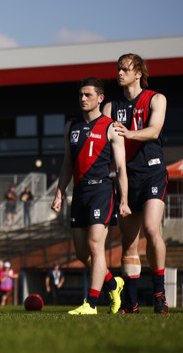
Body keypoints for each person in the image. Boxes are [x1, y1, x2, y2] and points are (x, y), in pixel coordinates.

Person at [52, 77, 131, 315]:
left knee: (96, 246)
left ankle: (92, 304)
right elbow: (67, 163)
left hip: (101, 191)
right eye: (81, 95)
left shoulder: (111, 127)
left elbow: (121, 169)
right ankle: (113, 283)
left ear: (100, 98)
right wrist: (59, 192)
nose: (83, 99)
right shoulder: (70, 127)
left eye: (88, 95)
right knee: (80, 252)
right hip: (79, 193)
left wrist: (124, 199)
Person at [103, 54, 170, 314]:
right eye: (118, 68)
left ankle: (159, 295)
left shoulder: (156, 98)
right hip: (125, 178)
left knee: (152, 230)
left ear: (138, 73)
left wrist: (129, 133)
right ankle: (130, 303)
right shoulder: (110, 107)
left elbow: (154, 130)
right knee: (129, 243)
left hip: (152, 172)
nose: (119, 73)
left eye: (125, 69)